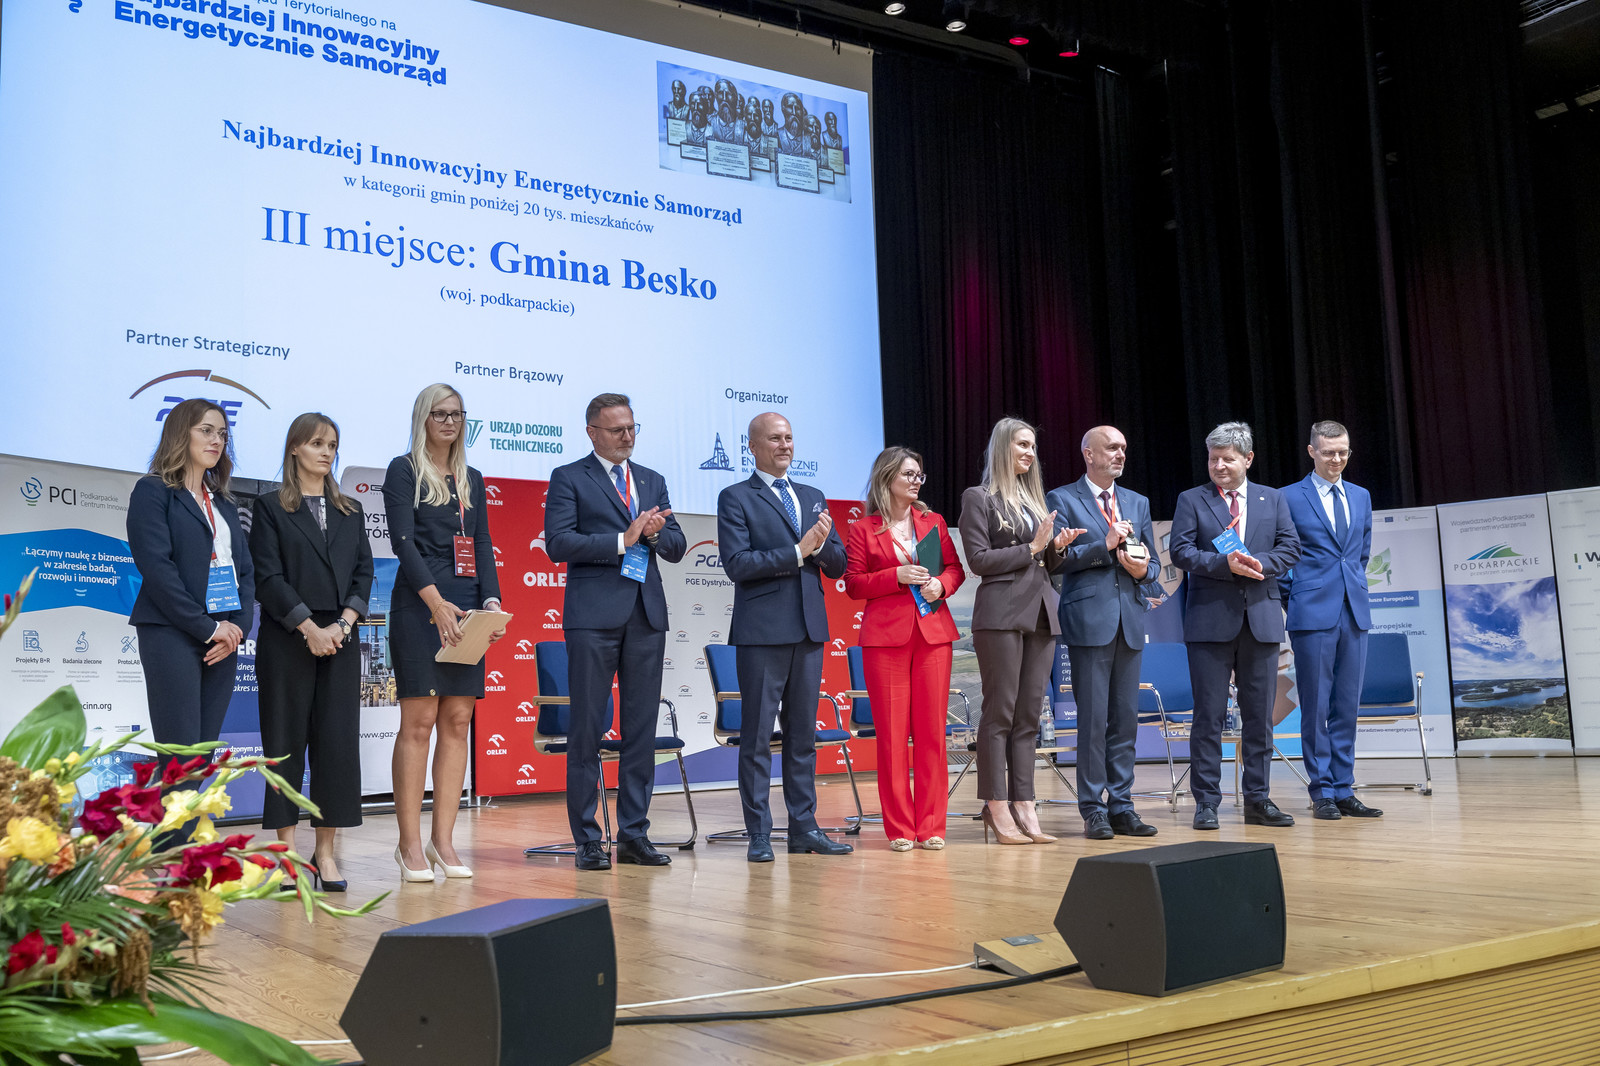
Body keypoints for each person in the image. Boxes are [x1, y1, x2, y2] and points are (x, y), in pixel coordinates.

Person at [544, 394, 686, 871]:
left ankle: (634, 834)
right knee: (587, 729)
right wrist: (620, 541)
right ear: (592, 433)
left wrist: (654, 534)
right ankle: (587, 839)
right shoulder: (569, 477)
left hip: (646, 616)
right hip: (593, 618)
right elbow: (558, 543)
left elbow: (677, 545)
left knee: (640, 731)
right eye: (617, 429)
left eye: (632, 428)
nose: (627, 436)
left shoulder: (651, 479)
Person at [382, 384, 504, 882]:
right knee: (419, 722)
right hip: (420, 608)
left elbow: (483, 543)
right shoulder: (403, 470)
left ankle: (443, 842)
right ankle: (409, 845)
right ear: (423, 418)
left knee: (458, 719)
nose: (450, 422)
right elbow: (403, 544)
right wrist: (435, 604)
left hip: (468, 608)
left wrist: (490, 602)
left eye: (457, 414)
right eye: (440, 414)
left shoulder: (472, 477)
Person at [718, 412, 852, 863]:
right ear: (753, 447)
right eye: (775, 438)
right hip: (762, 633)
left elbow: (837, 564)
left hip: (809, 631)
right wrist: (798, 551)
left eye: (789, 437)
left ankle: (804, 828)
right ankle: (759, 833)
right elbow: (737, 564)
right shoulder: (736, 497)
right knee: (757, 738)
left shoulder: (812, 496)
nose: (785, 445)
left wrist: (822, 546)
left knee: (802, 739)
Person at [250, 413, 374, 892]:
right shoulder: (269, 507)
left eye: (332, 445)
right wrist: (309, 628)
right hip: (288, 638)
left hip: (341, 638)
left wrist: (341, 625)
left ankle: (325, 854)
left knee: (336, 747)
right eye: (318, 443)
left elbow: (364, 574)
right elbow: (268, 577)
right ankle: (286, 854)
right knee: (284, 746)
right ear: (295, 448)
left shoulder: (351, 510)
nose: (326, 452)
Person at [1170, 422, 1301, 830]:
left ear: (1248, 459)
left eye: (1228, 459)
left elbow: (1291, 547)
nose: (1219, 466)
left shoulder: (1272, 498)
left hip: (1261, 619)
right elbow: (1180, 551)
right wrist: (1223, 564)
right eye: (1214, 459)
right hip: (1209, 622)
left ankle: (1258, 799)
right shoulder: (1192, 499)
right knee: (1208, 717)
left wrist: (1261, 563)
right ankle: (1207, 802)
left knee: (1259, 717)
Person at [957, 418, 1082, 845]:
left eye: (1032, 446)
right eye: (1022, 445)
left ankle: (1024, 802)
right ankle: (995, 803)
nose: (1029, 452)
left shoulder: (1035, 501)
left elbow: (1046, 563)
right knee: (1000, 713)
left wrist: (1056, 548)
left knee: (1029, 714)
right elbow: (978, 560)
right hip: (1001, 613)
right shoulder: (978, 498)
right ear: (1002, 448)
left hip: (1042, 613)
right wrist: (1032, 548)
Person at [843, 448, 966, 851]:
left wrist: (941, 586)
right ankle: (899, 827)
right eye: (909, 474)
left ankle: (931, 825)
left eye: (919, 475)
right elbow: (854, 583)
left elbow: (955, 569)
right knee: (893, 737)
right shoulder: (863, 529)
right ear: (887, 478)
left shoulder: (934, 522)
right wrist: (895, 575)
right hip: (885, 639)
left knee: (932, 734)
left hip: (933, 634)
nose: (916, 481)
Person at [1047, 426, 1162, 840]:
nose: (1120, 454)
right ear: (1088, 453)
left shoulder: (1137, 502)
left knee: (1125, 722)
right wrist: (1105, 545)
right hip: (1089, 621)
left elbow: (1154, 565)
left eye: (1123, 449)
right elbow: (1056, 561)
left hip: (1129, 619)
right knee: (1093, 722)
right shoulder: (1062, 499)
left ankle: (1122, 806)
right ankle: (1093, 809)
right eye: (1112, 447)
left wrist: (1143, 570)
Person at [127, 398, 255, 767]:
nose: (217, 440)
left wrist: (236, 630)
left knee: (202, 755)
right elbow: (158, 570)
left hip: (223, 640)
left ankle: (189, 812)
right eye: (206, 431)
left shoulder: (224, 504)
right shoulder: (153, 491)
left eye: (222, 434)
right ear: (180, 434)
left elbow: (245, 573)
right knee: (179, 755)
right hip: (172, 633)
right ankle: (170, 811)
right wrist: (208, 628)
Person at [1282, 421, 1381, 820]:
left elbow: (1360, 554)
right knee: (1316, 706)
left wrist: (1349, 589)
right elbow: (1282, 557)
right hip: (1311, 613)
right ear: (1312, 451)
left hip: (1353, 611)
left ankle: (1344, 788)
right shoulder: (1288, 497)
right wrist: (1297, 597)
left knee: (1347, 706)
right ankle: (1321, 790)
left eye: (1343, 452)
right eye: (1329, 452)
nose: (1337, 459)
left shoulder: (1361, 495)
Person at [777, 92, 810, 157]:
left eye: (797, 108)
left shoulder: (808, 138)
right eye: (790, 107)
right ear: (783, 109)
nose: (794, 113)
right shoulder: (777, 134)